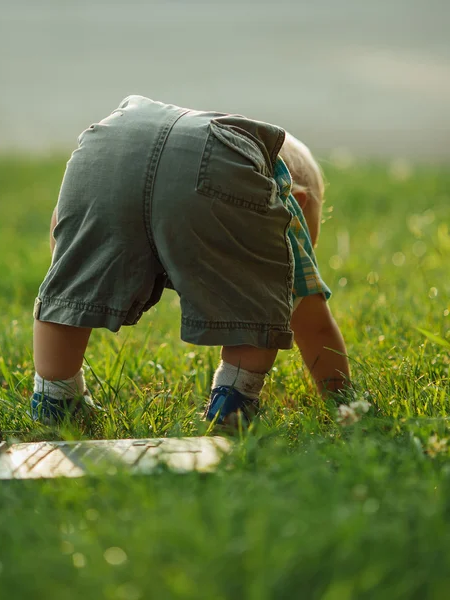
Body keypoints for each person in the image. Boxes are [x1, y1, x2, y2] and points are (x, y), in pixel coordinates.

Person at [32, 95, 350, 427]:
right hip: (218, 165)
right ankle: (232, 403)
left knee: (69, 292)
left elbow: (63, 230)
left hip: (108, 146)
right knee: (256, 300)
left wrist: (69, 262)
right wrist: (344, 400)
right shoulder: (277, 198)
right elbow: (315, 326)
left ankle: (55, 396)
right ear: (297, 202)